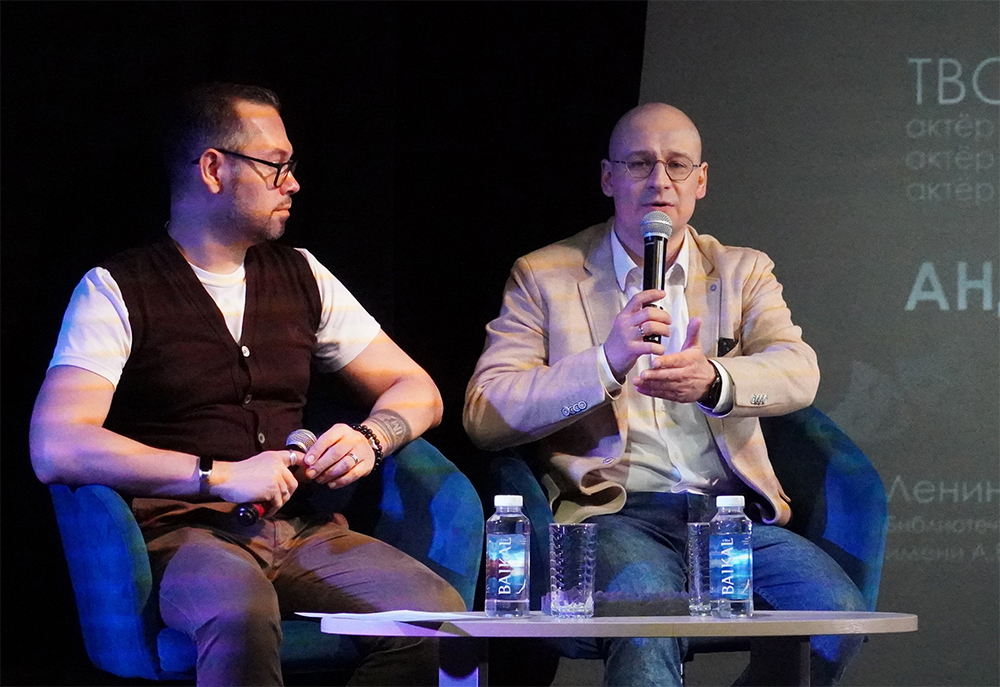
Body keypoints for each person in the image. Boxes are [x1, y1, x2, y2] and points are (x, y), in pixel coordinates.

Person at [30, 83, 465, 686]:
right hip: (184, 530)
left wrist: (371, 438)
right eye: (275, 165)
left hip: (300, 530)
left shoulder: (303, 274)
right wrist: (217, 475)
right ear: (214, 169)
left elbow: (418, 389)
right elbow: (56, 444)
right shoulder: (117, 289)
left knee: (437, 619)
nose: (293, 183)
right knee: (240, 610)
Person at [464, 102, 866, 686]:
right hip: (614, 513)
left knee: (838, 616)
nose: (660, 181)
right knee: (647, 613)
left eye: (677, 165)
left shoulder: (742, 271)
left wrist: (715, 380)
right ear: (609, 178)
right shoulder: (544, 275)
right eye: (639, 164)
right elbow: (485, 412)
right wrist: (605, 362)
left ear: (700, 181)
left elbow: (798, 370)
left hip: (727, 516)